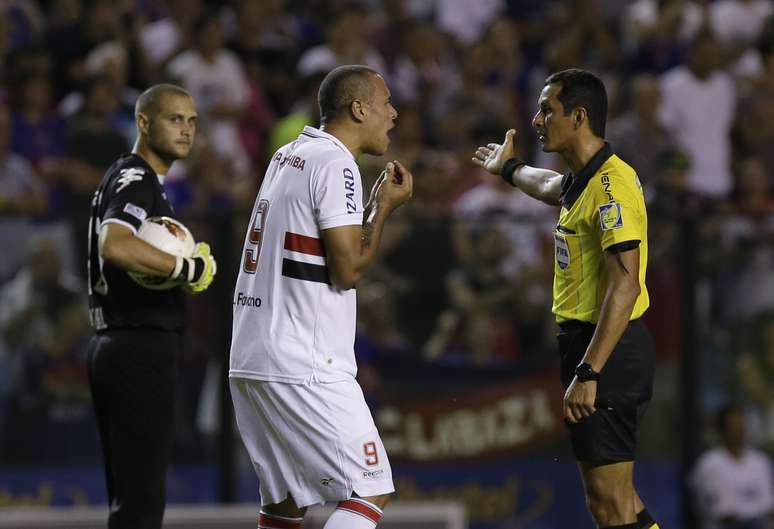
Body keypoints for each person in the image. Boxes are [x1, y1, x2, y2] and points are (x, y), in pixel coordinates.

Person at [473, 68, 659, 529]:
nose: (537, 120)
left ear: (578, 116)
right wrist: (511, 169)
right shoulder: (582, 179)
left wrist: (589, 371)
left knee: (609, 505)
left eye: (546, 110)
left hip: (606, 351)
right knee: (616, 500)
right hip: (594, 347)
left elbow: (626, 284)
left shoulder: (611, 188)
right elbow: (550, 187)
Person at [229, 64, 412, 529]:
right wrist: (383, 210)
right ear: (358, 108)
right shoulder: (336, 162)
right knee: (370, 487)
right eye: (385, 102)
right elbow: (348, 269)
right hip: (302, 361)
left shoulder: (288, 154)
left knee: (285, 506)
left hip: (251, 356)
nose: (393, 113)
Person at [85, 83, 217, 529]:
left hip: (115, 343)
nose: (186, 130)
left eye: (192, 121)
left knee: (130, 501)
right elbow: (115, 243)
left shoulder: (125, 176)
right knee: (141, 504)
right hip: (137, 346)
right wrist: (185, 270)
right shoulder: (138, 177)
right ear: (143, 122)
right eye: (174, 119)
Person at [690, 403, 774, 529]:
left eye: (740, 426)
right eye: (732, 428)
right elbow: (727, 516)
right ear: (722, 430)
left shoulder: (761, 462)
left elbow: (768, 509)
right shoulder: (709, 465)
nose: (737, 432)